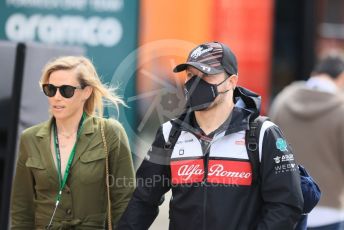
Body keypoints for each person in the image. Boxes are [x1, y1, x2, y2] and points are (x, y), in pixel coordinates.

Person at [118, 41, 304, 229]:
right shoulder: (170, 134)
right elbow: (142, 201)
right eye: (190, 75)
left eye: (206, 75)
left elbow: (286, 205)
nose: (195, 83)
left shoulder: (262, 133)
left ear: (231, 82)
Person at [10, 56, 135, 229]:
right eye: (50, 89)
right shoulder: (29, 138)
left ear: (86, 92)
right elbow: (22, 209)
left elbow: (124, 201)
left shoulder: (110, 133)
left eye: (66, 90)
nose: (57, 97)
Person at [270, 53, 344, 230]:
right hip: (330, 211)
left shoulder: (282, 100)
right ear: (341, 77)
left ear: (314, 73)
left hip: (288, 206)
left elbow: (270, 150)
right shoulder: (341, 109)